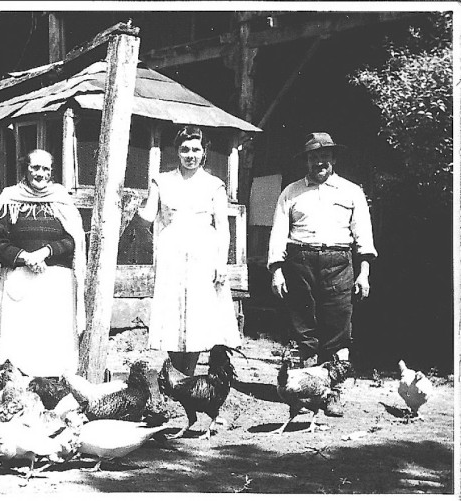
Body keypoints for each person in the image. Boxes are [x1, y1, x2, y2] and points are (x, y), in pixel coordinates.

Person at [268, 131, 377, 416]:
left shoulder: (351, 192)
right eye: (313, 157)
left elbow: (363, 234)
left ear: (333, 159)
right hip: (300, 261)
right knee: (304, 326)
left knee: (338, 325)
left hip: (339, 262)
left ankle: (333, 394)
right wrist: (277, 271)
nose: (319, 163)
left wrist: (363, 271)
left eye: (324, 157)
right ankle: (307, 392)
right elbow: (279, 233)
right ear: (306, 161)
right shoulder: (290, 192)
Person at [138, 125, 241, 377]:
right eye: (185, 150)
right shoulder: (161, 181)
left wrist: (221, 263)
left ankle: (189, 375)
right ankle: (175, 375)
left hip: (203, 254)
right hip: (172, 252)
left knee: (197, 313)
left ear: (204, 152)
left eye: (196, 149)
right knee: (173, 312)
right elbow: (148, 215)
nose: (190, 155)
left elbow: (223, 228)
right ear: (177, 152)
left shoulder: (214, 185)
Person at [0, 149, 86, 377]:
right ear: (26, 168)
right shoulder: (10, 198)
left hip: (55, 282)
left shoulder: (60, 199)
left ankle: (53, 381)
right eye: (35, 168)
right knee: (22, 339)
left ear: (51, 172)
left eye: (45, 169)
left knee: (51, 338)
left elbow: (73, 239)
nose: (40, 173)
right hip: (20, 279)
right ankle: (16, 381)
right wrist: (26, 256)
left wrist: (44, 252)